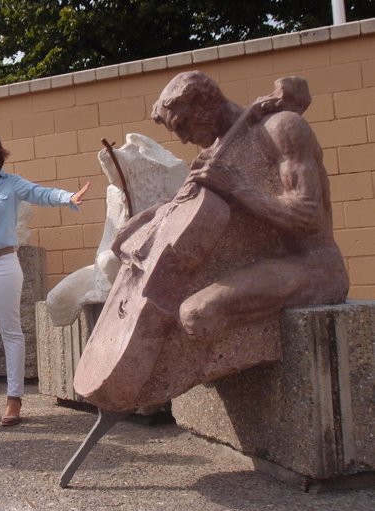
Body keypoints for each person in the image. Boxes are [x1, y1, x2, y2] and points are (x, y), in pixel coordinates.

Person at [144, 71, 348, 338]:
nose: (183, 139)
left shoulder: (281, 128)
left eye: (183, 125)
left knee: (198, 313)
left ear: (204, 104)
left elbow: (310, 217)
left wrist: (237, 188)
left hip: (312, 266)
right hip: (256, 263)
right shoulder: (214, 155)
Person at [0, 130, 90, 426]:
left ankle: (14, 399)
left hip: (3, 262)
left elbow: (41, 193)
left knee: (10, 330)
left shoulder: (12, 183)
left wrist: (69, 197)